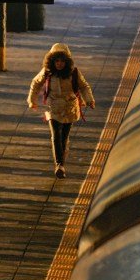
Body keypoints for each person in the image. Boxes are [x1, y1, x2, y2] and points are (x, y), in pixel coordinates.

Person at [28, 43, 95, 178]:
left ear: (67, 61)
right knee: (56, 136)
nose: (59, 64)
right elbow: (36, 83)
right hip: (53, 108)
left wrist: (89, 100)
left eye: (62, 61)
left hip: (70, 108)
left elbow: (83, 87)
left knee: (64, 137)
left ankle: (61, 163)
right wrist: (32, 100)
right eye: (56, 61)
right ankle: (59, 165)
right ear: (52, 61)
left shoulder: (74, 73)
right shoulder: (47, 72)